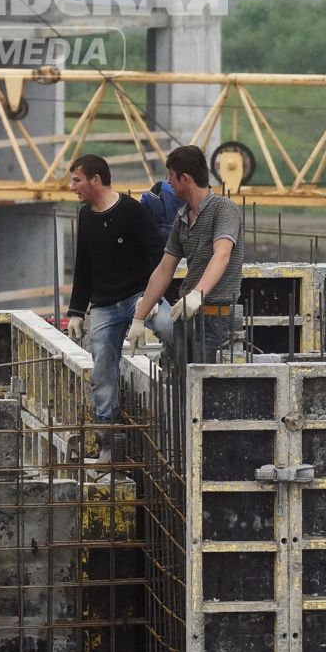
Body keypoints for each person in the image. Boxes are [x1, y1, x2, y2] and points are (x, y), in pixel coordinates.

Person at [62, 154, 166, 454]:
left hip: (138, 296)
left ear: (96, 179)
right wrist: (77, 312)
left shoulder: (132, 211)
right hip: (105, 305)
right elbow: (84, 265)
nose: (73, 187)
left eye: (77, 180)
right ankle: (108, 440)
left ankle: (175, 363)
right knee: (102, 373)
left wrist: (153, 296)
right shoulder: (85, 216)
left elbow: (159, 254)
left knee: (169, 326)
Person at [135, 144, 243, 363]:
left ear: (185, 178)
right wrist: (140, 317)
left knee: (207, 388)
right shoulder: (182, 218)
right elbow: (165, 269)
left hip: (216, 319)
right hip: (187, 316)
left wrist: (197, 294)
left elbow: (221, 255)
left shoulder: (224, 209)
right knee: (184, 386)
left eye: (171, 176)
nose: (168, 183)